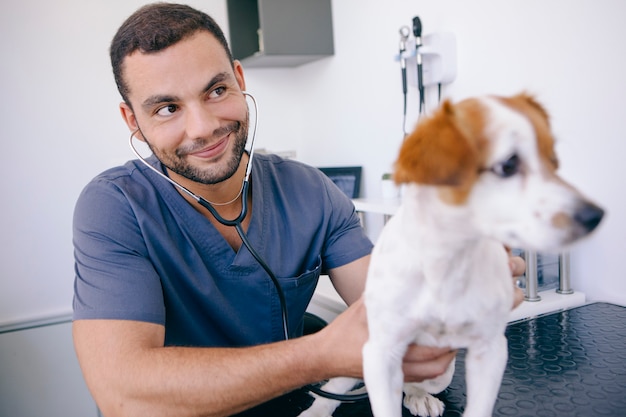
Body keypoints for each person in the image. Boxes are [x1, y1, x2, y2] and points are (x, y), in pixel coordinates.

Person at [72, 3, 525, 417]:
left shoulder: (310, 190)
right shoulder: (114, 208)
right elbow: (123, 395)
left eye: (215, 90)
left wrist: (464, 274)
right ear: (133, 120)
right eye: (167, 108)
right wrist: (322, 354)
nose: (203, 127)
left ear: (239, 77)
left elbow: (391, 300)